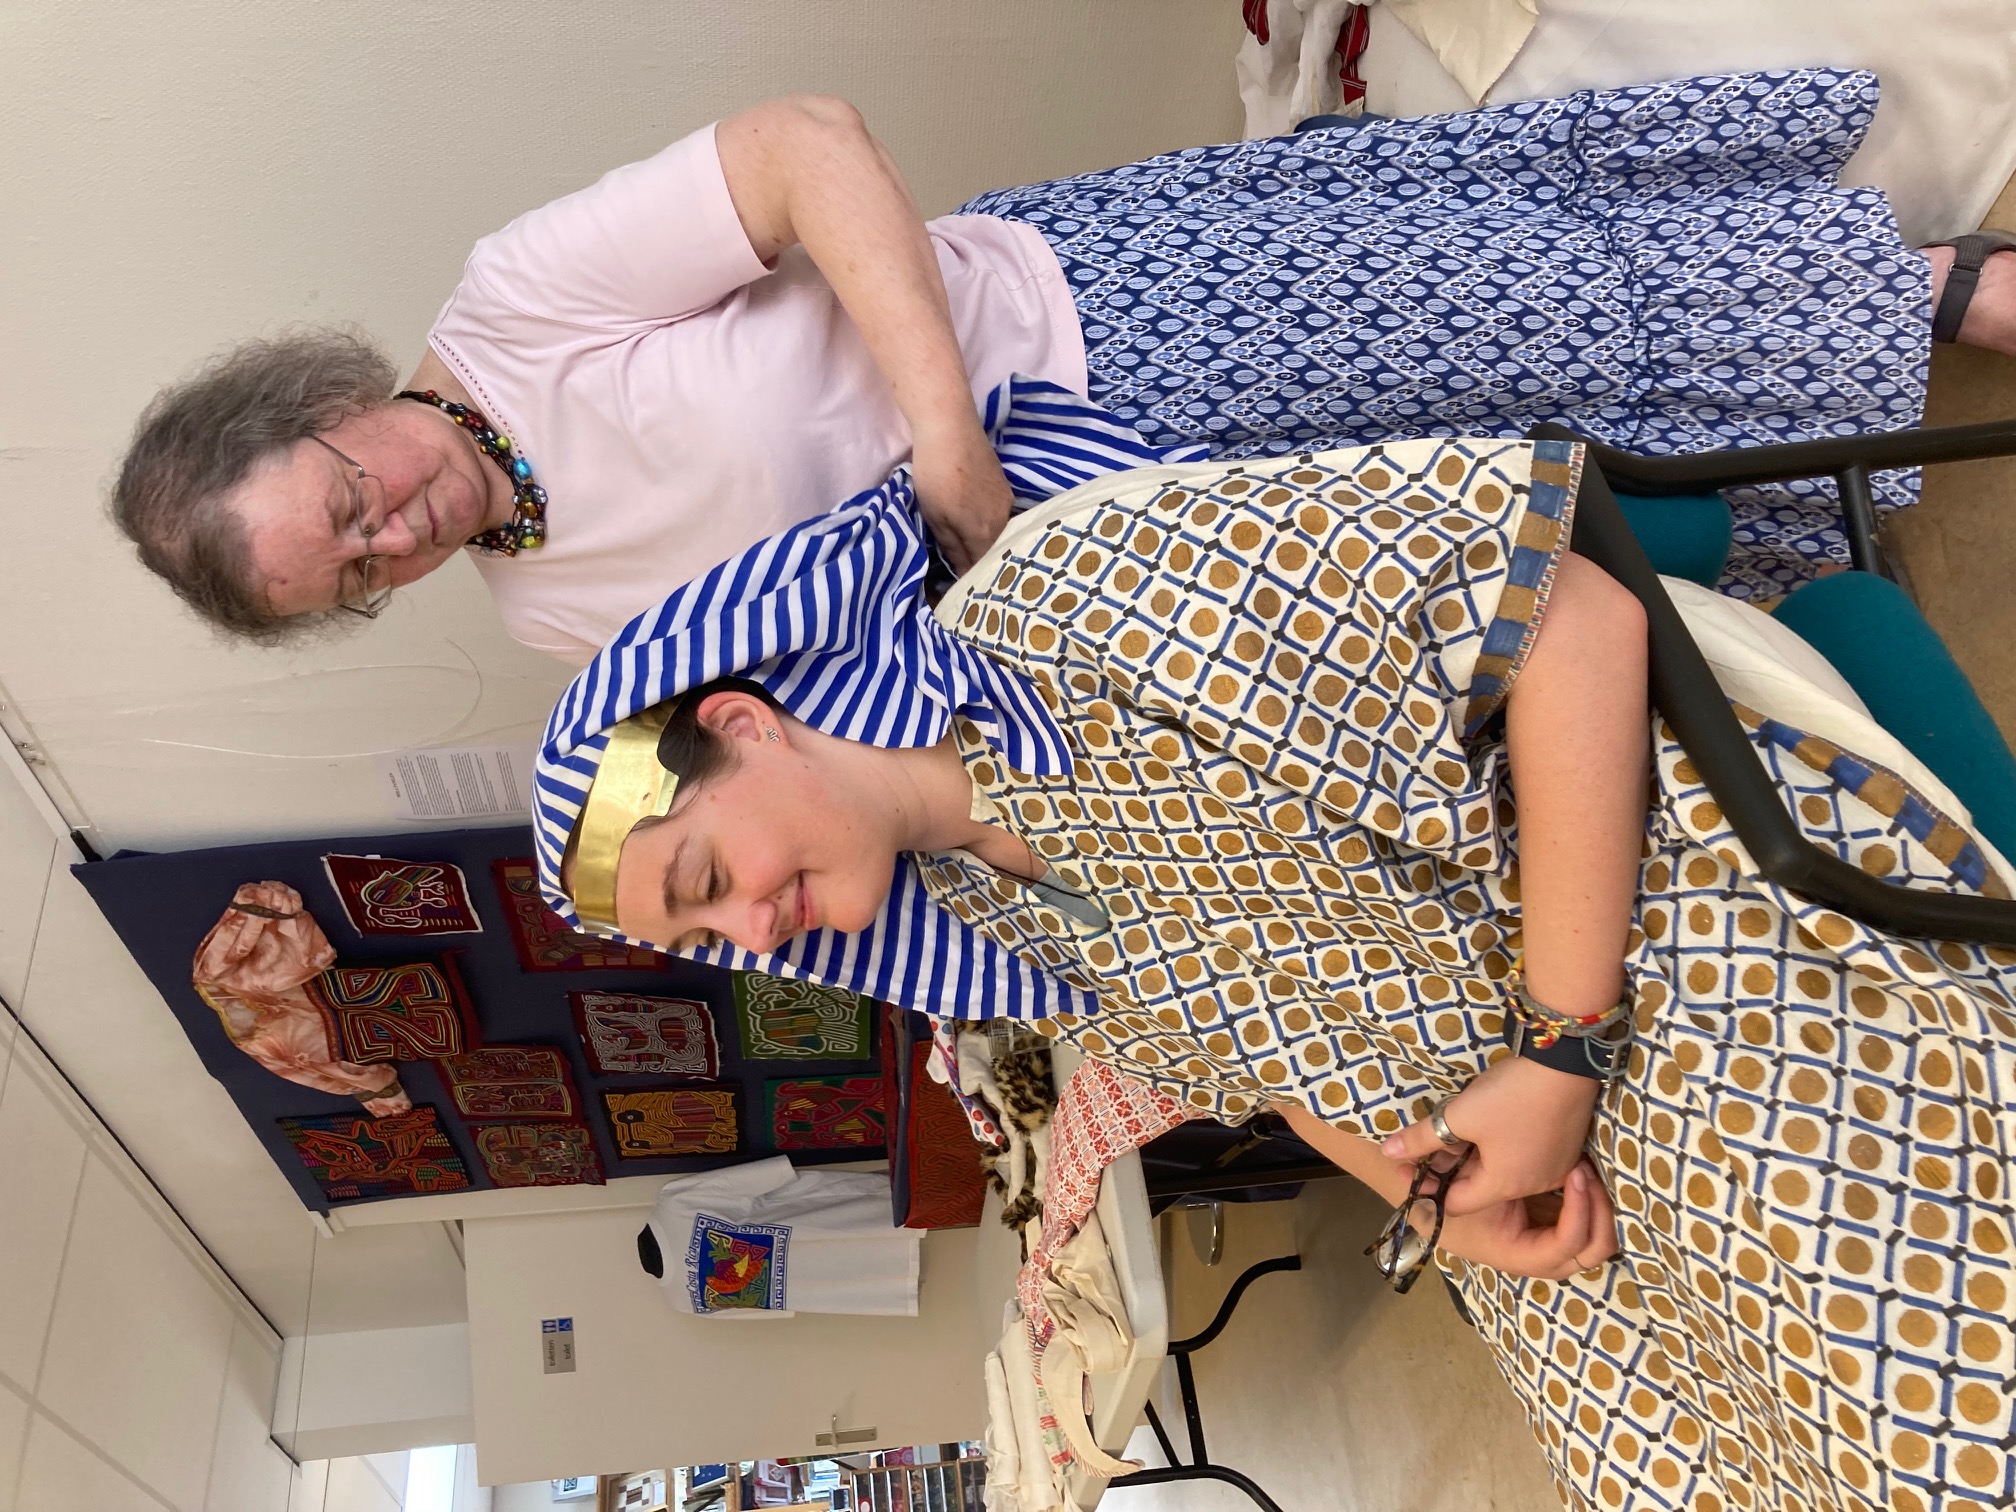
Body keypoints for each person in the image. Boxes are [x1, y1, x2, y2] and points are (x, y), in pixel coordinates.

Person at [528, 430, 2014, 1512]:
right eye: (711, 943)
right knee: (1666, 1462)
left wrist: (1561, 1045)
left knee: (1898, 1408)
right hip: (1502, 1128)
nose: (758, 936)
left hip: (1656, 919)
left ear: (746, 719)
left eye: (709, 882)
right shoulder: (989, 916)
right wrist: (1430, 1205)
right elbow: (1268, 1071)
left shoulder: (1075, 610)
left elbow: (1572, 614)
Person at [114, 69, 2016, 660]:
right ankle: (1823, 478)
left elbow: (806, 147)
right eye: (355, 576)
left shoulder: (520, 301)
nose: (396, 537)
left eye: (352, 499)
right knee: (1528, 479)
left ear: (327, 397)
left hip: (1103, 319)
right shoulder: (548, 625)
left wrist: (949, 452)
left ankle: (1951, 296)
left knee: (1551, 304)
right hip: (1122, 528)